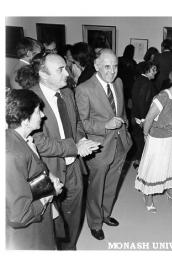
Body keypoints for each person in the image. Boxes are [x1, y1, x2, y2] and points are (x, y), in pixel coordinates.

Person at [29, 52, 100, 250]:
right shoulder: (31, 99)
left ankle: (68, 249)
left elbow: (76, 124)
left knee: (74, 213)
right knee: (48, 219)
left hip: (74, 167)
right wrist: (74, 147)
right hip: (47, 170)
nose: (67, 73)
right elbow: (38, 141)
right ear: (43, 74)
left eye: (66, 67)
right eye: (60, 69)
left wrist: (82, 142)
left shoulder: (67, 93)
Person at [75, 48, 132, 240]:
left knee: (112, 184)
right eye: (107, 66)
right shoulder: (84, 89)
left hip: (120, 144)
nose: (112, 71)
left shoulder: (119, 82)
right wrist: (105, 125)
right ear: (96, 66)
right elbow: (81, 123)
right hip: (98, 147)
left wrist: (126, 129)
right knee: (96, 188)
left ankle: (105, 214)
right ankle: (95, 222)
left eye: (115, 66)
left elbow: (122, 111)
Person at [6, 89, 64, 250]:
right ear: (25, 120)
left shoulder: (20, 140)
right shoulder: (12, 155)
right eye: (38, 111)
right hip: (29, 233)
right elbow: (20, 215)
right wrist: (49, 193)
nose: (43, 115)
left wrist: (48, 176)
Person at [135, 66, 172, 213]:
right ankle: (147, 196)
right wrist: (146, 134)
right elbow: (148, 118)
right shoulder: (163, 96)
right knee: (154, 168)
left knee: (170, 166)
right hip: (157, 139)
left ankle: (170, 191)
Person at [131, 61, 157, 169]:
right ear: (147, 70)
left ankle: (138, 161)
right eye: (153, 70)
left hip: (136, 116)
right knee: (144, 143)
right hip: (142, 118)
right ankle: (142, 168)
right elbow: (142, 101)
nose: (156, 72)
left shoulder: (139, 80)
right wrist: (143, 120)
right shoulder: (146, 83)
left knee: (139, 141)